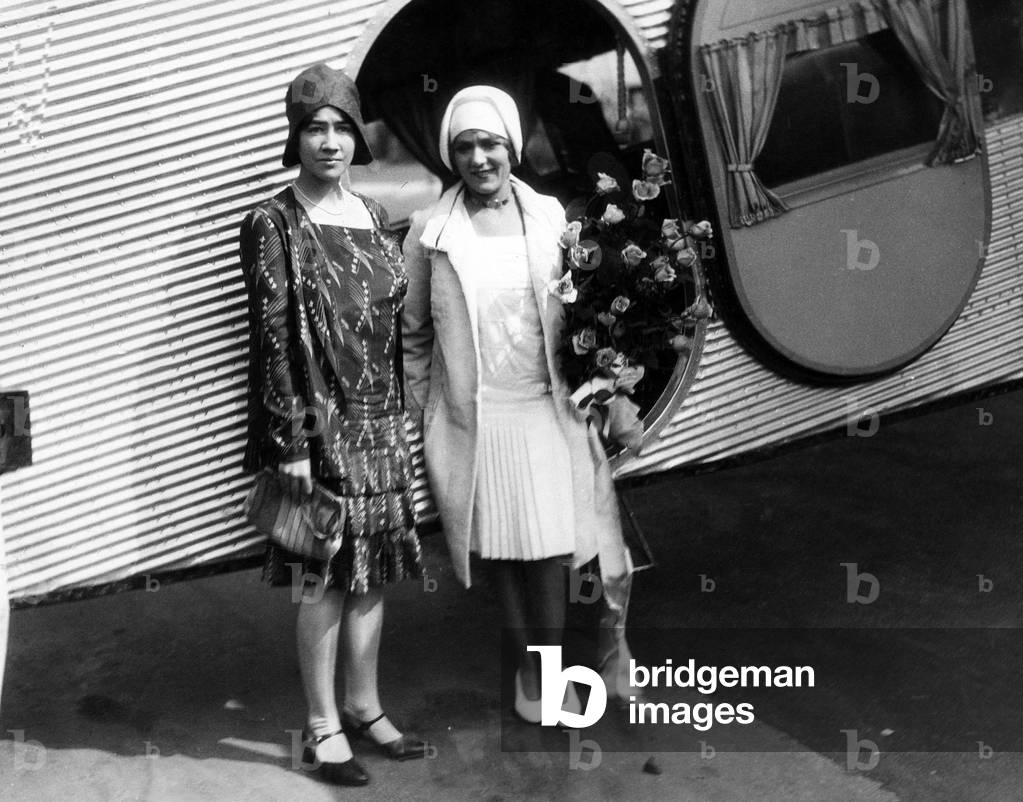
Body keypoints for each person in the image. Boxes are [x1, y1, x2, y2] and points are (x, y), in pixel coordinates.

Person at [402, 86, 633, 724]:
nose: (479, 158)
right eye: (465, 147)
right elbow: (414, 333)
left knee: (553, 549)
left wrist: (604, 385)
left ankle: (554, 670)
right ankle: (526, 672)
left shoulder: (550, 216)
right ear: (452, 155)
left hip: (544, 406)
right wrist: (425, 411)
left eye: (491, 144)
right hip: (475, 416)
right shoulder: (430, 230)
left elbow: (585, 311)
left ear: (513, 146)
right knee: (498, 549)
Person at [239, 64, 426, 785]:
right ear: (295, 136)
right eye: (313, 127)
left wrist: (401, 416)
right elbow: (273, 339)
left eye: (340, 128)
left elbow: (388, 323)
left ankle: (363, 705)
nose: (328, 141)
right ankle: (321, 728)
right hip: (317, 430)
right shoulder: (273, 223)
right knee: (319, 580)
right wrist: (288, 445)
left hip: (379, 425)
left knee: (371, 575)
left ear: (357, 137)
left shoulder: (376, 218)